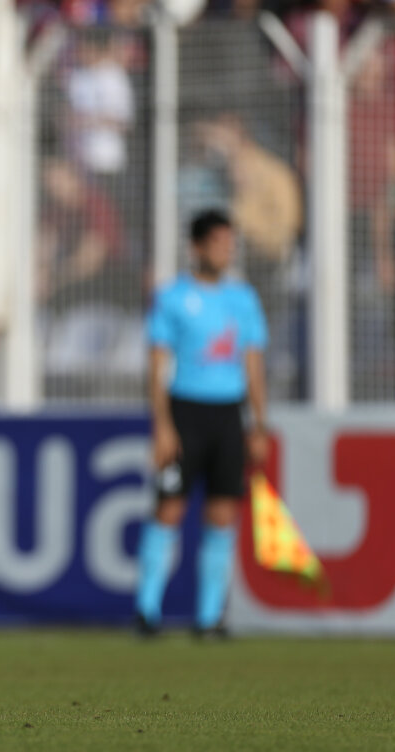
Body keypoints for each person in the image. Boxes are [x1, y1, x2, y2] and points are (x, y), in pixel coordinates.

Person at [135, 209, 270, 638]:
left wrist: (259, 424)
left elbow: (253, 365)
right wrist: (162, 424)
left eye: (230, 243)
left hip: (228, 415)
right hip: (185, 412)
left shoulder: (243, 299)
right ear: (196, 247)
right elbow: (157, 365)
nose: (225, 251)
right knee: (168, 509)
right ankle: (147, 611)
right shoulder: (172, 297)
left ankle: (210, 617)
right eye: (217, 243)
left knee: (222, 514)